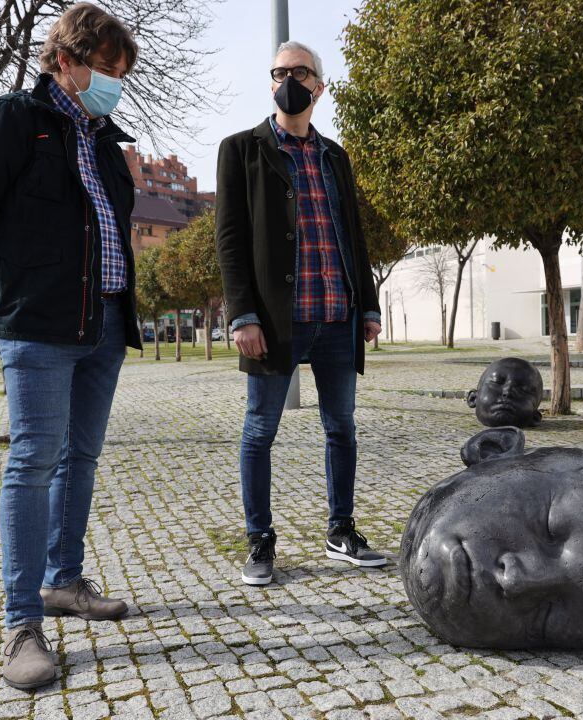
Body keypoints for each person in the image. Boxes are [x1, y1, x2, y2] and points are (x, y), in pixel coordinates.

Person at [0, 2, 140, 690]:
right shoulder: (12, 122)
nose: (115, 83)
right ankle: (23, 622)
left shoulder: (107, 142)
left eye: (121, 74)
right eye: (106, 70)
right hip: (37, 325)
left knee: (79, 458)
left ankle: (65, 582)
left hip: (104, 323)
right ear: (66, 61)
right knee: (32, 462)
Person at [215, 41, 386, 586]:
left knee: (341, 427)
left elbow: (353, 238)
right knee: (260, 429)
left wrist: (369, 304)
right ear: (271, 83)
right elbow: (230, 241)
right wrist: (242, 316)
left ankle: (341, 531)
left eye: (300, 72)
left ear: (319, 86)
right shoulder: (241, 150)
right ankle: (260, 540)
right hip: (275, 322)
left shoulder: (336, 156)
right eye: (280, 72)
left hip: (337, 314)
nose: (289, 80)